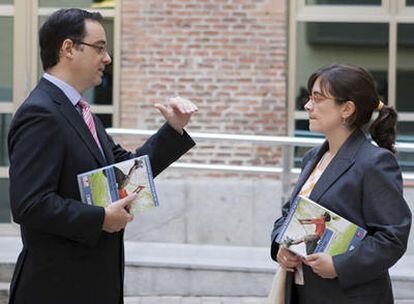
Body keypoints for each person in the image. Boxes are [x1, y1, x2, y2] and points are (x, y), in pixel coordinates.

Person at [8, 8, 197, 304]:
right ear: (68, 49)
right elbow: (29, 204)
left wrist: (173, 129)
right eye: (100, 48)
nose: (107, 59)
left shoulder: (78, 110)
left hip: (91, 283)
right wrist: (100, 219)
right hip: (56, 288)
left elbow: (126, 171)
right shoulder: (41, 113)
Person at [271, 63, 412, 304]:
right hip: (302, 293)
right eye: (309, 97)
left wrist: (339, 265)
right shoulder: (312, 157)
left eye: (318, 98)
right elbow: (288, 214)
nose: (307, 105)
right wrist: (280, 248)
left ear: (347, 109)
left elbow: (392, 238)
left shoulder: (374, 162)